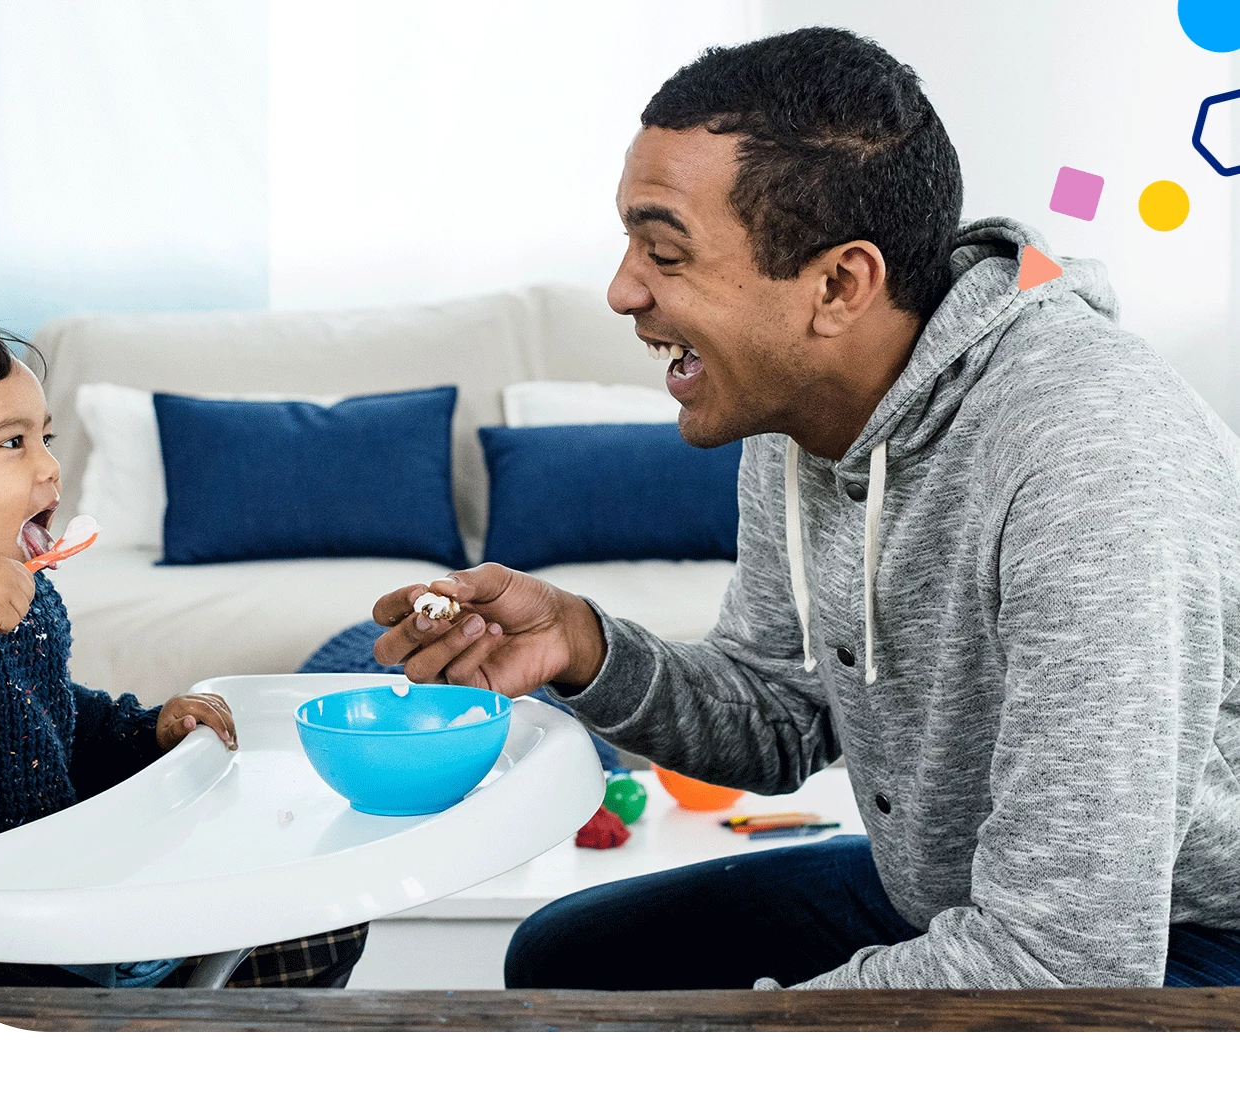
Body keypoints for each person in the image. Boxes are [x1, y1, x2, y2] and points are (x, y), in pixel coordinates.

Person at [372, 27, 1239, 990]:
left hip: (1174, 939)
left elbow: (1067, 960)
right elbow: (784, 714)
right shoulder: (797, 404)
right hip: (958, 896)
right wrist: (587, 648)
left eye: (664, 251)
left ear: (837, 285)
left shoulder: (1089, 453)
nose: (622, 291)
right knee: (568, 961)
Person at [0, 319, 366, 989]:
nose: (51, 466)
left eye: (44, 438)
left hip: (57, 890)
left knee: (322, 914)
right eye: (12, 443)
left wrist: (144, 730)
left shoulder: (18, 588)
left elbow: (42, 719)